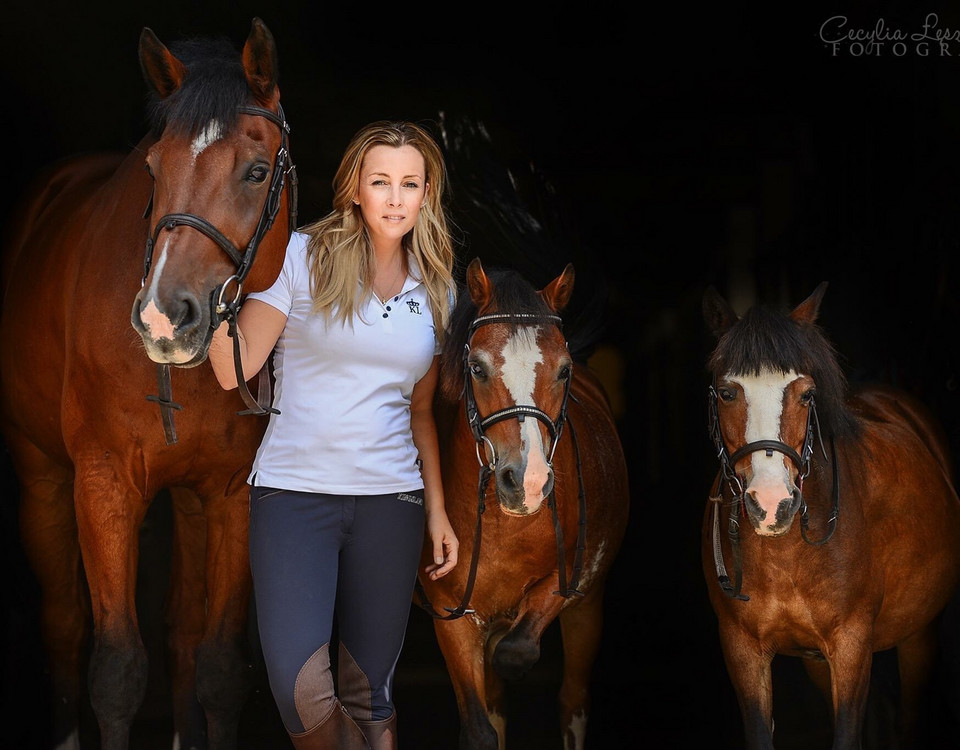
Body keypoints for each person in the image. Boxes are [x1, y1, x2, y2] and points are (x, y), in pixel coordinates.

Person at [208, 120, 460, 750]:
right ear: (354, 189)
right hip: (293, 497)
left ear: (427, 194)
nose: (396, 197)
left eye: (410, 183)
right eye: (381, 182)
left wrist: (437, 513)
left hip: (391, 504)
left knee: (369, 695)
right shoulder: (299, 258)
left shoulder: (438, 291)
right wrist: (217, 292)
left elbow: (421, 412)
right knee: (302, 693)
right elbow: (231, 367)